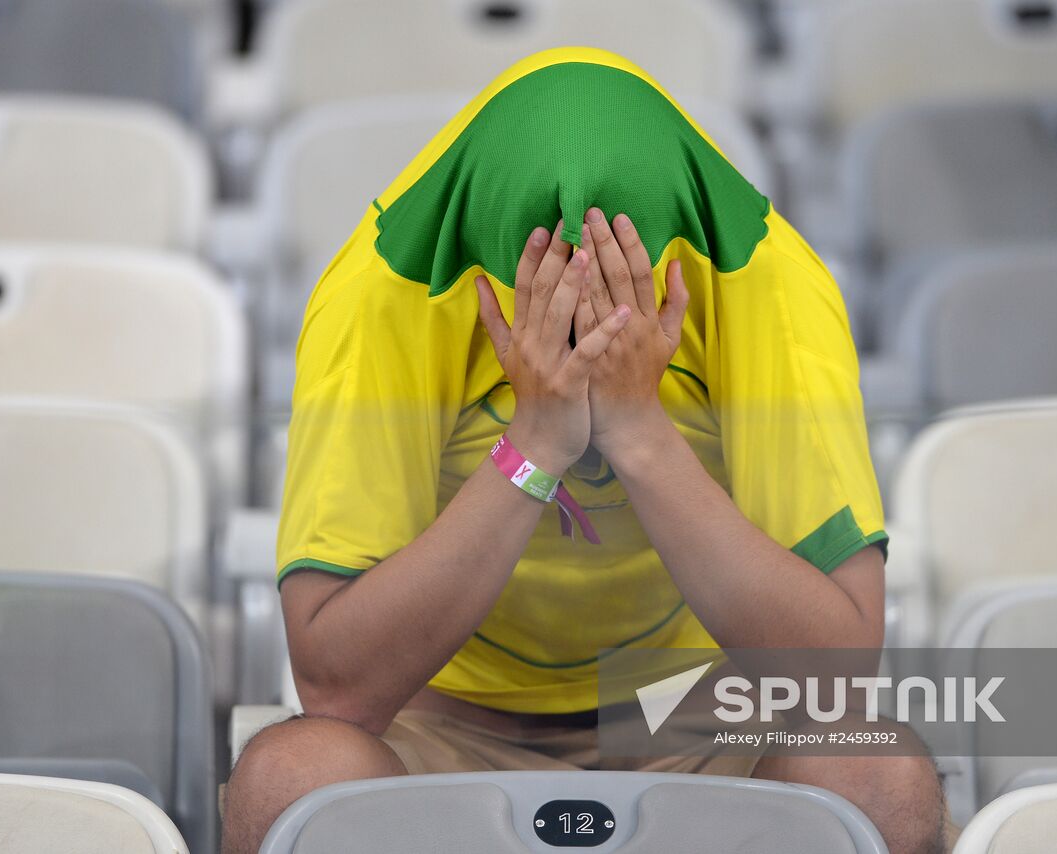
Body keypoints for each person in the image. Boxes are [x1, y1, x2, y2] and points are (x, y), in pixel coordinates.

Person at [224, 47, 947, 854]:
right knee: (287, 782)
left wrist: (640, 434)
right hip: (440, 726)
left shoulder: (767, 277)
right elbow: (337, 686)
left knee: (879, 777)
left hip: (701, 721)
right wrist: (534, 443)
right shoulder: (383, 288)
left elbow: (833, 683)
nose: (580, 333)